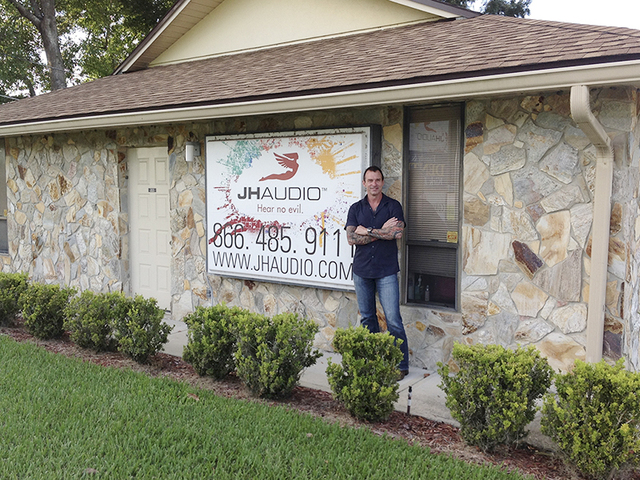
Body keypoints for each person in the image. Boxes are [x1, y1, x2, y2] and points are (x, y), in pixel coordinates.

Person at [346, 165, 410, 379]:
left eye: (377, 180)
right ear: (364, 183)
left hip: (386, 271)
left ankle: (400, 365)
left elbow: (397, 233)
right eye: (370, 180)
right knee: (367, 318)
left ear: (382, 182)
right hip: (362, 271)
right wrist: (383, 231)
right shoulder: (356, 208)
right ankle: (371, 361)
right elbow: (351, 238)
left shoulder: (393, 206)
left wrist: (368, 231)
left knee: (393, 319)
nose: (374, 184)